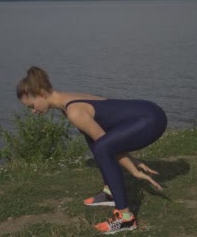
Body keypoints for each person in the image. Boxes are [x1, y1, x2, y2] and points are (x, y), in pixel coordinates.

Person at [16, 66, 168, 234]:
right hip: (147, 111)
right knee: (94, 140)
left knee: (102, 148)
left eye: (31, 105)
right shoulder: (68, 101)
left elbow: (108, 146)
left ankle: (126, 218)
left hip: (151, 120)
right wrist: (132, 162)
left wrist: (133, 169)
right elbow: (104, 135)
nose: (33, 111)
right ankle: (110, 191)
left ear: (42, 95)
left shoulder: (74, 111)